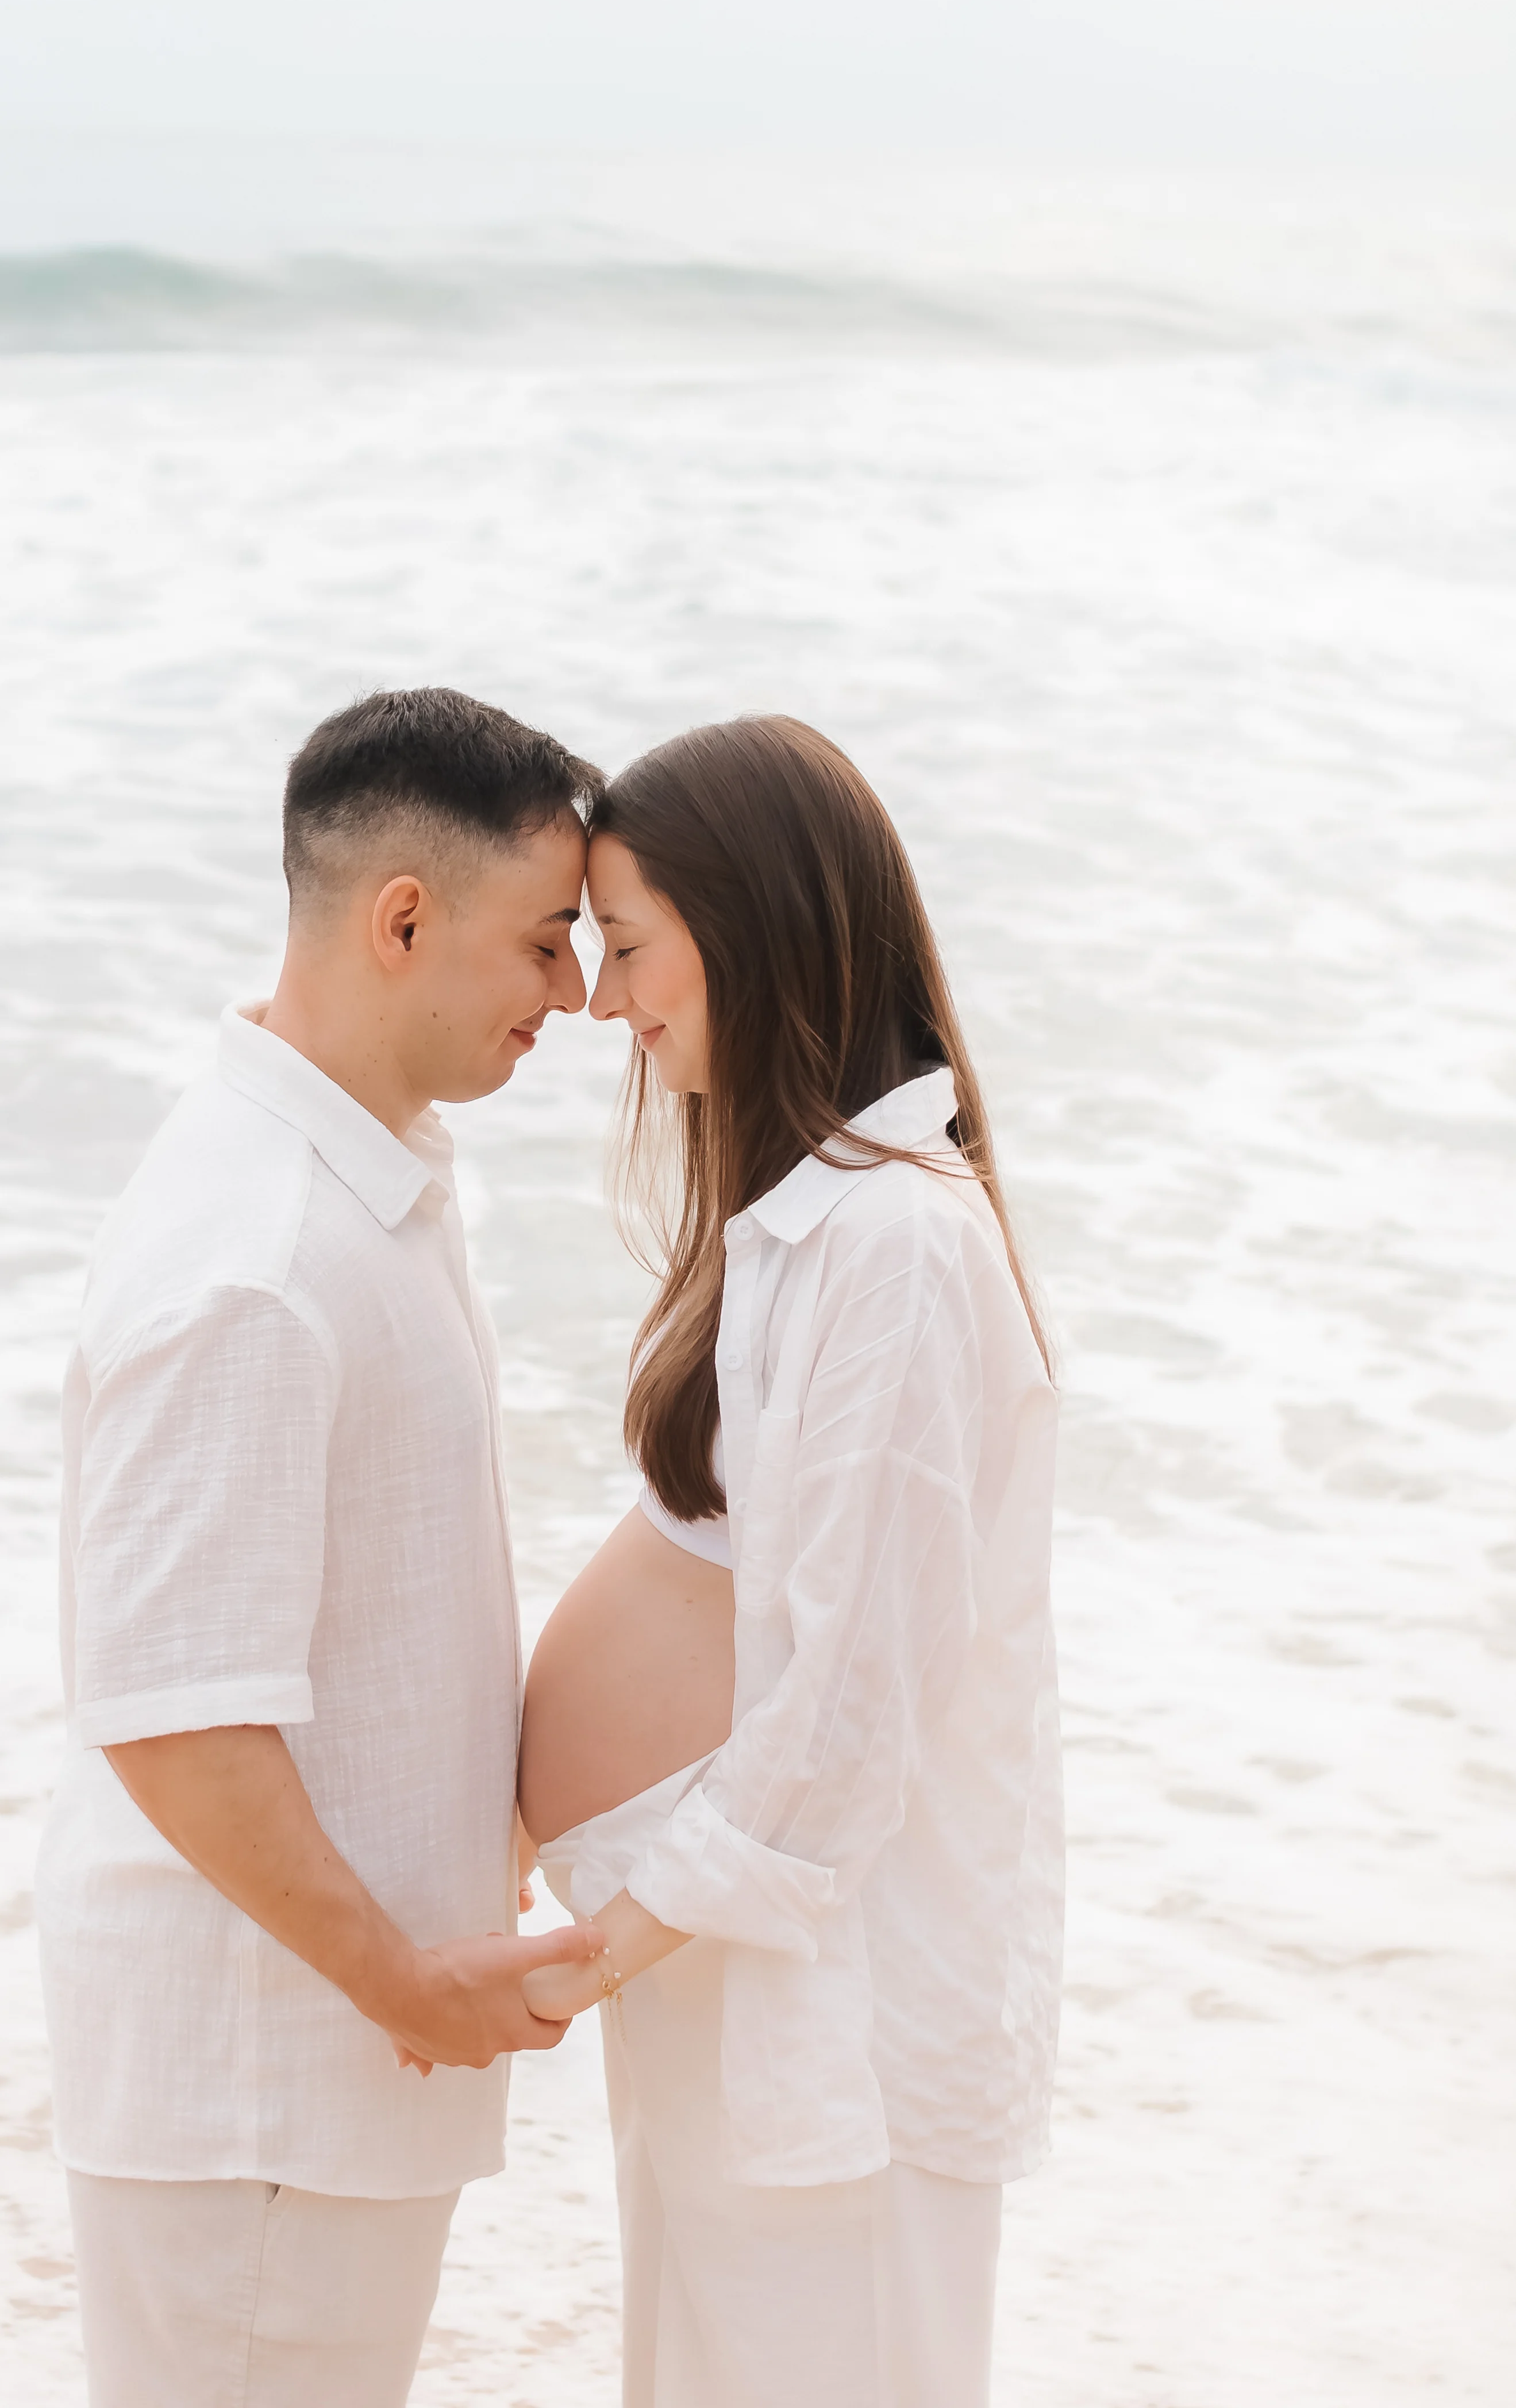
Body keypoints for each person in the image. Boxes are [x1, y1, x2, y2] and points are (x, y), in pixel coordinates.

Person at [35, 687, 609, 2408]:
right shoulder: (255, 1254)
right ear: (403, 919)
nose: (575, 993)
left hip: (314, 2065)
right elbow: (170, 1711)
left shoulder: (367, 1182)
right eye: (547, 937)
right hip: (261, 2077)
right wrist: (407, 1977)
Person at [518, 715, 1063, 2408]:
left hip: (829, 2015)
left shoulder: (892, 1243)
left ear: (748, 923)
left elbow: (844, 1715)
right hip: (724, 1972)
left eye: (624, 941)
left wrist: (580, 1954)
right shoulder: (802, 1224)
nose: (601, 999)